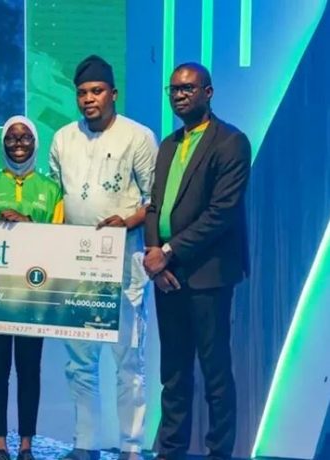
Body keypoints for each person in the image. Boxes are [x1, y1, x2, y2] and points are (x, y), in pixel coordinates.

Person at [49, 55, 157, 460]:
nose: (89, 99)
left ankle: (131, 448)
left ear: (113, 93)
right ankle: (85, 445)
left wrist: (128, 221)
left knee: (129, 358)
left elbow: (155, 202)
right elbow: (58, 200)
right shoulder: (62, 138)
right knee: (79, 361)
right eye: (82, 93)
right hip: (76, 266)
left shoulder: (138, 136)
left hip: (124, 263)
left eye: (96, 92)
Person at [144, 63, 251, 460]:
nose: (179, 95)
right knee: (172, 372)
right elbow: (154, 207)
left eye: (188, 88)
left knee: (215, 372)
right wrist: (155, 257)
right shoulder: (169, 145)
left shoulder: (231, 142)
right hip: (166, 274)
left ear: (208, 92)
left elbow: (221, 214)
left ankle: (219, 452)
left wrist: (167, 253)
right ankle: (170, 450)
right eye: (173, 89)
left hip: (208, 273)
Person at [0, 115, 64, 460]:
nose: (18, 143)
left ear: (35, 142)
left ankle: (26, 444)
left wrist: (27, 224)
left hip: (34, 297)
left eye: (25, 137)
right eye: (11, 138)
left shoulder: (52, 190)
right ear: (3, 143)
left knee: (29, 370)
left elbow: (58, 243)